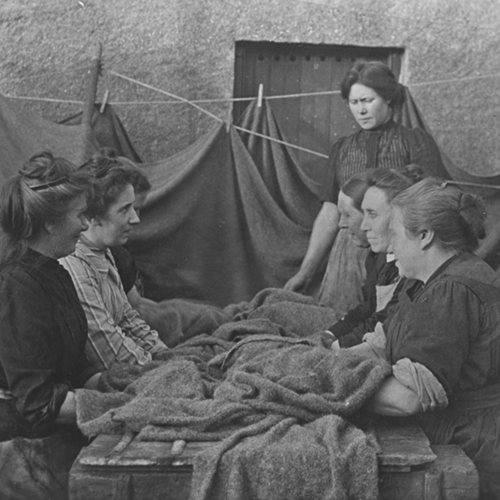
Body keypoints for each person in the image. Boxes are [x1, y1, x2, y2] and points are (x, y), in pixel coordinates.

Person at [354, 178, 500, 499]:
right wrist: (328, 362)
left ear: (424, 237)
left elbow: (408, 399)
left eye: (395, 234)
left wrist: (333, 389)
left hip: (473, 444)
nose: (389, 248)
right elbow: (382, 345)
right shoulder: (424, 281)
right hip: (454, 429)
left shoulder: (452, 290)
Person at [284, 61, 448, 315]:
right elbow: (330, 212)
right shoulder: (342, 149)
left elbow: (437, 203)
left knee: (392, 324)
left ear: (388, 98)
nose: (361, 110)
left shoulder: (414, 142)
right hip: (349, 255)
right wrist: (305, 273)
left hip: (401, 254)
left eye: (368, 100)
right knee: (344, 323)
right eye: (354, 102)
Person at [0, 151, 101, 498]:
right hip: (20, 449)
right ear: (50, 223)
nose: (86, 225)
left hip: (51, 431)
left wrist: (125, 385)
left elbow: (74, 364)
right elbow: (41, 404)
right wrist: (115, 408)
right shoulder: (16, 287)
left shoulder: (53, 272)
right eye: (80, 215)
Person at [60, 159, 169, 371]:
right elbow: (107, 350)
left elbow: (129, 320)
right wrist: (161, 370)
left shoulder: (103, 252)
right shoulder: (75, 266)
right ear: (93, 217)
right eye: (125, 209)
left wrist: (167, 356)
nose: (135, 219)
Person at [317, 165, 424, 349]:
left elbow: (385, 321)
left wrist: (338, 347)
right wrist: (331, 335)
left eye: (372, 214)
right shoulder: (380, 258)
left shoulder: (414, 268)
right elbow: (371, 307)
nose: (365, 226)